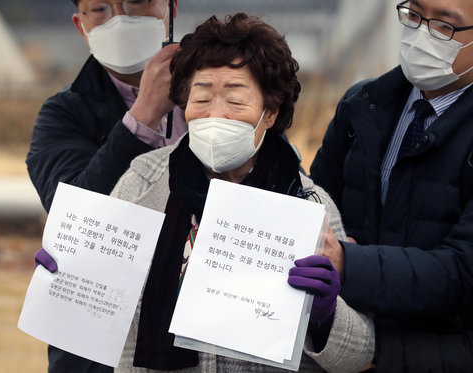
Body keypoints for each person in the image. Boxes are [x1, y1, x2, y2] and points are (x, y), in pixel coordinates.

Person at [110, 13, 374, 372]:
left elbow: (358, 354)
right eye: (201, 100)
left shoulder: (305, 205)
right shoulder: (143, 183)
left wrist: (325, 313)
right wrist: (68, 273)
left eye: (235, 102)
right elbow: (102, 308)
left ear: (270, 112)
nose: (216, 115)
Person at [310, 0, 473, 371]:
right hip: (342, 346)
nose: (420, 35)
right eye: (414, 16)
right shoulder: (361, 105)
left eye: (444, 26)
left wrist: (348, 263)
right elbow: (313, 204)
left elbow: (464, 270)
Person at [26, 0, 183, 371]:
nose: (121, 19)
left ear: (171, 8)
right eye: (100, 8)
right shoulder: (63, 114)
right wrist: (142, 116)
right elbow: (76, 215)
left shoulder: (225, 91)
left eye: (137, 1)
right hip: (102, 347)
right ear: (82, 27)